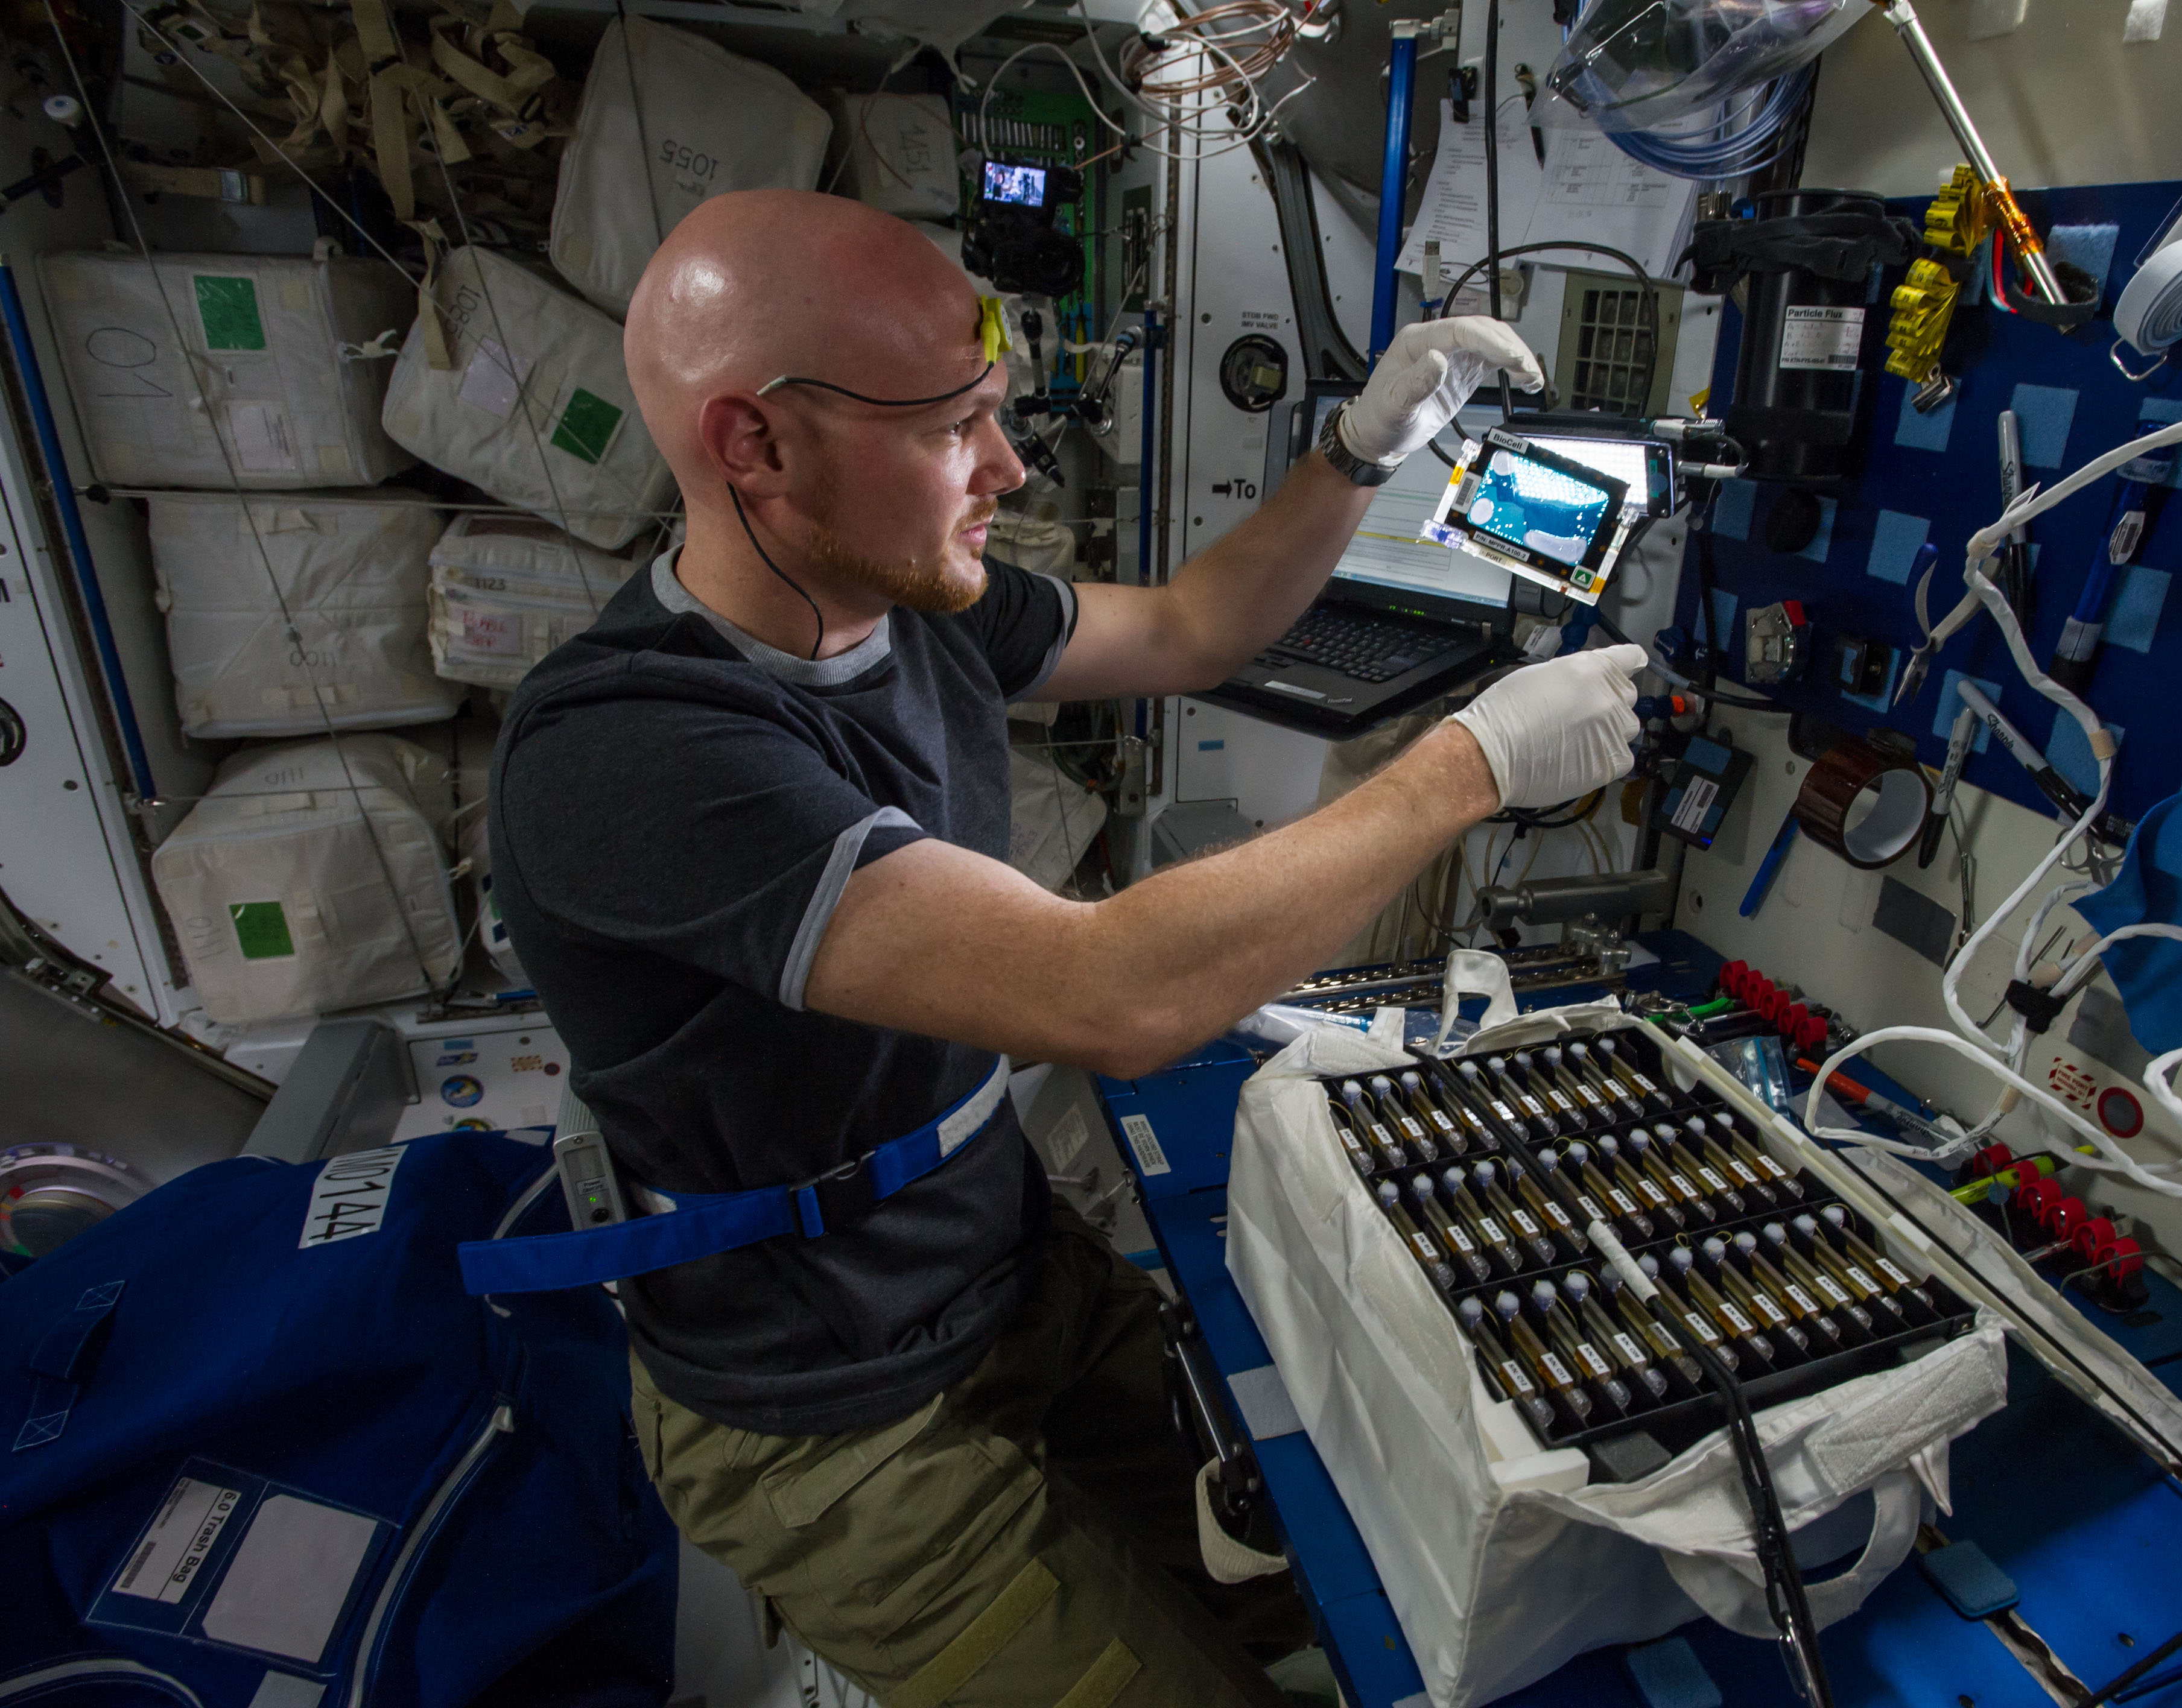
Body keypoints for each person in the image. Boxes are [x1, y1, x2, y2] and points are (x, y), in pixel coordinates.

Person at [488, 188, 1646, 1707]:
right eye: (948, 427)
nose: (1007, 467)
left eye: (998, 415)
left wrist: (1356, 455)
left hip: (1013, 1283)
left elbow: (1185, 631)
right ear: (752, 446)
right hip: (840, 1419)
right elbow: (1113, 991)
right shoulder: (632, 752)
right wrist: (1469, 765)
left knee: (1279, 1604)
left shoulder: (913, 604)